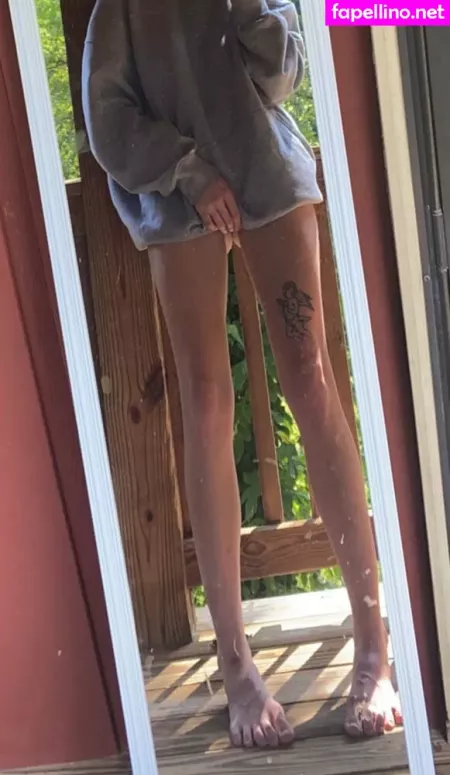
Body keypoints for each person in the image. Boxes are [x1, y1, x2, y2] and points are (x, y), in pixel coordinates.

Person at [82, 0, 402, 748]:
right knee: (205, 403)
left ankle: (374, 644)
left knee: (312, 380)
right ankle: (236, 666)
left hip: (268, 168)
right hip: (178, 202)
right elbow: (106, 118)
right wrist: (190, 172)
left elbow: (282, 73)